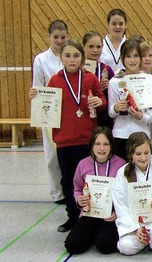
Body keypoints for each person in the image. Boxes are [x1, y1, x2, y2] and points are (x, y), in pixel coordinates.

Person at [30, 39, 107, 232]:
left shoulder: (90, 79)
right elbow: (46, 105)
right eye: (67, 56)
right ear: (60, 58)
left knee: (88, 181)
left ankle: (90, 217)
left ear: (82, 57)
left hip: (87, 141)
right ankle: (72, 216)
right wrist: (36, 96)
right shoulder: (55, 80)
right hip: (64, 140)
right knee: (68, 181)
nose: (72, 60)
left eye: (76, 55)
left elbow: (103, 100)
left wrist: (99, 101)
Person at [64, 127, 127, 254]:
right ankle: (92, 233)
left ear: (111, 145)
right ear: (91, 145)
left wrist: (118, 213)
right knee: (73, 246)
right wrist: (79, 200)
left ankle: (99, 234)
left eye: (106, 144)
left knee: (106, 246)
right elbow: (77, 188)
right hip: (89, 213)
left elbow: (127, 193)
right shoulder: (83, 164)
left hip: (111, 215)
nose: (101, 148)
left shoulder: (121, 164)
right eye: (97, 144)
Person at [32, 19, 67, 205]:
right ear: (49, 37)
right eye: (56, 37)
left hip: (69, 110)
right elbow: (37, 86)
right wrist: (34, 94)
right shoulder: (41, 59)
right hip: (49, 110)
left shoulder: (70, 56)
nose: (59, 41)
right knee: (52, 155)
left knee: (68, 153)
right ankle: (57, 193)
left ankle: (71, 188)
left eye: (62, 37)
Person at [108, 40, 152, 160]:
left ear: (141, 58)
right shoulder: (115, 82)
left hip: (142, 133)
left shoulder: (150, 80)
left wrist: (142, 117)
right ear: (122, 58)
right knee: (122, 173)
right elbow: (110, 113)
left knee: (140, 174)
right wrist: (116, 108)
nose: (132, 60)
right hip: (120, 135)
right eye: (128, 56)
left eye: (136, 56)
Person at [83, 31, 116, 129]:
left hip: (103, 120)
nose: (95, 50)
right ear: (83, 47)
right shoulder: (79, 70)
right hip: (84, 118)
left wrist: (109, 87)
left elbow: (114, 96)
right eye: (91, 46)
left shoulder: (106, 69)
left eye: (98, 47)